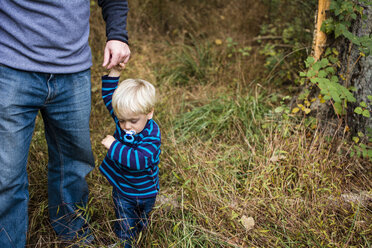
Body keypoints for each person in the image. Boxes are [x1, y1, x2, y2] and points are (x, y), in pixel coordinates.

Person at [0, 1, 130, 247]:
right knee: (6, 176)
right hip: (10, 68)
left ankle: (74, 235)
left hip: (73, 71)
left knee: (74, 164)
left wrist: (118, 35)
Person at [100, 64, 161, 247]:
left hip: (145, 192)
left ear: (149, 113)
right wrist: (115, 72)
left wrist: (114, 146)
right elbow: (109, 97)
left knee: (142, 221)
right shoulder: (125, 119)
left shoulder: (152, 135)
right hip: (123, 191)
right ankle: (125, 243)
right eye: (121, 120)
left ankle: (142, 237)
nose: (126, 126)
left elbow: (139, 160)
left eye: (133, 121)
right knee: (125, 224)